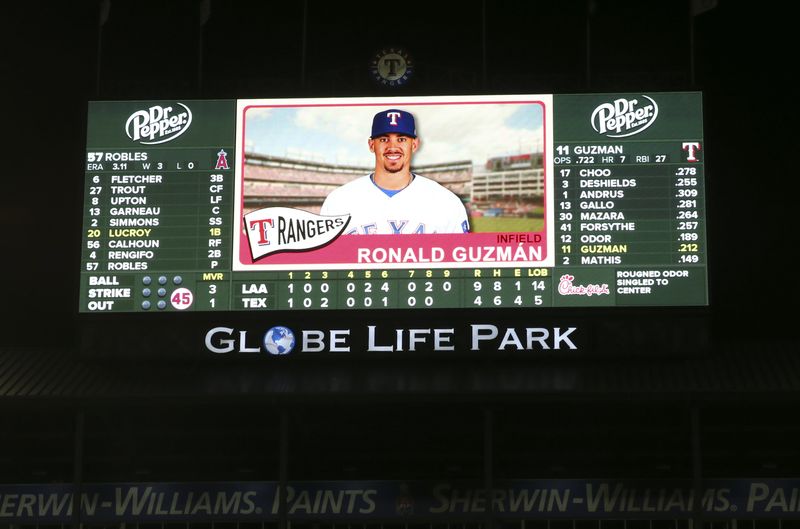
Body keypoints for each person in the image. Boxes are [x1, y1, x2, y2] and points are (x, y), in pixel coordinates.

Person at [320, 108, 470, 234]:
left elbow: (461, 264)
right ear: (372, 145)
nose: (392, 147)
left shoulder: (446, 202)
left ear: (414, 144)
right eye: (384, 139)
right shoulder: (338, 201)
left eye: (402, 139)